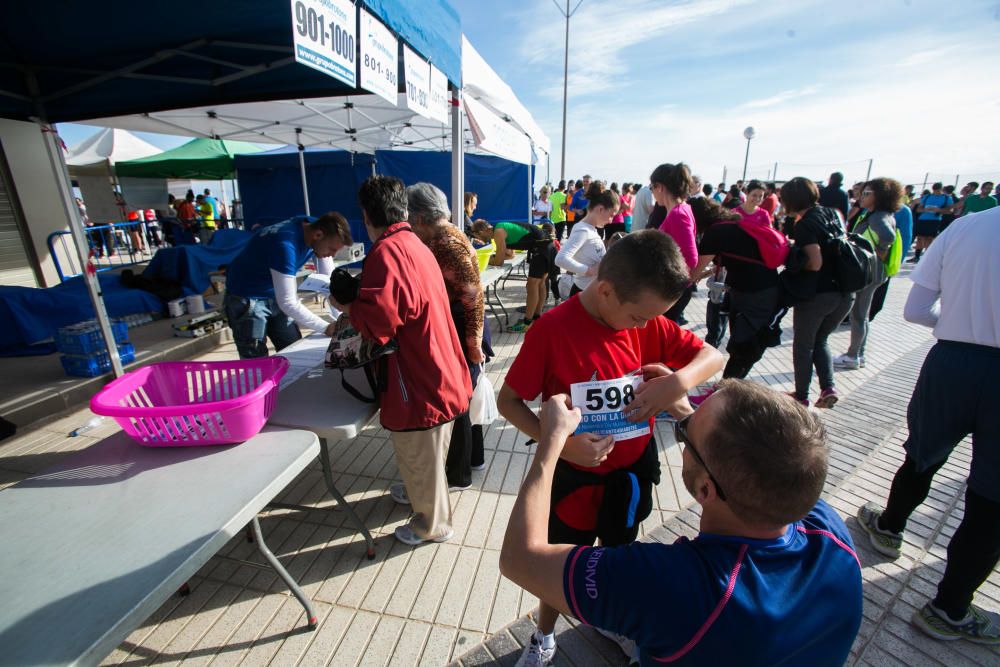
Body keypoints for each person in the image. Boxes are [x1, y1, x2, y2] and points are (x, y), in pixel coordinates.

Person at [501, 380, 861, 666]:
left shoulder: (668, 585)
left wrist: (552, 443)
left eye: (684, 432)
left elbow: (520, 559)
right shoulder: (827, 526)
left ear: (706, 488)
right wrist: (685, 409)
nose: (682, 425)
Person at [498, 231, 724, 666]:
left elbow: (714, 357)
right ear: (604, 290)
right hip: (574, 480)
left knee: (619, 553)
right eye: (638, 316)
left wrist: (675, 384)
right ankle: (544, 635)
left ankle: (611, 619)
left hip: (631, 474)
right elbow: (508, 402)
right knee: (559, 564)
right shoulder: (551, 330)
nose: (645, 327)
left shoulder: (649, 322)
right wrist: (562, 447)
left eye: (653, 318)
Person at [856, 206, 1000, 644]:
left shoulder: (966, 226)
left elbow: (916, 310)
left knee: (921, 455)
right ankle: (948, 607)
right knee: (991, 499)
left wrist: (961, 328)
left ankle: (889, 526)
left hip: (951, 362)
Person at [333, 176, 471, 546]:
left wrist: (348, 306)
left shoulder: (386, 252)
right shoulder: (415, 242)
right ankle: (419, 495)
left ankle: (432, 524)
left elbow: (378, 323)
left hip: (418, 377)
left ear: (366, 215)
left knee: (419, 451)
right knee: (429, 452)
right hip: (440, 366)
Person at [407, 182, 490, 487]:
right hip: (465, 326)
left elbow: (473, 297)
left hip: (464, 327)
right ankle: (474, 460)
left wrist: (473, 344)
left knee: (456, 404)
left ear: (418, 218)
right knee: (465, 398)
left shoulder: (444, 242)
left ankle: (458, 475)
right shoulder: (451, 232)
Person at [224, 213, 352, 359]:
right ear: (318, 235)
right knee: (256, 361)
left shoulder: (313, 227)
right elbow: (287, 302)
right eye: (331, 249)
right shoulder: (285, 245)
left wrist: (341, 317)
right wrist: (326, 327)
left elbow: (328, 281)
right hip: (246, 295)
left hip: (272, 291)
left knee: (294, 350)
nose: (332, 255)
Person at [690, 197, 783, 383]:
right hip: (758, 289)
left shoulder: (715, 232)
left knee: (743, 345)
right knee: (741, 344)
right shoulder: (731, 225)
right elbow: (729, 260)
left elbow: (693, 272)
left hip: (756, 293)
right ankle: (725, 389)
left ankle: (724, 392)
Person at [782, 177, 854, 408]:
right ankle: (828, 387)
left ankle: (801, 396)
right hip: (845, 292)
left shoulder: (805, 224)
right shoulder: (834, 214)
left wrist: (793, 260)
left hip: (819, 294)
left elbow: (815, 263)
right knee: (821, 339)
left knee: (803, 344)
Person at [834, 178, 901, 370]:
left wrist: (879, 250)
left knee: (859, 315)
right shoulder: (881, 214)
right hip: (873, 272)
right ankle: (858, 354)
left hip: (869, 271)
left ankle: (853, 355)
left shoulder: (878, 217)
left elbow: (887, 237)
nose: (862, 197)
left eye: (867, 193)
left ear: (880, 196)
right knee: (861, 315)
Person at [470, 220, 551, 333]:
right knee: (539, 284)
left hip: (542, 246)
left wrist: (487, 261)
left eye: (477, 236)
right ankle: (536, 318)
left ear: (482, 231)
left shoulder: (498, 232)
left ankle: (527, 323)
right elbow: (510, 254)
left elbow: (499, 261)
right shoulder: (500, 228)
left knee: (532, 285)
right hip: (546, 245)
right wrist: (495, 257)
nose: (479, 240)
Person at [554, 181, 616, 298]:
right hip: (583, 294)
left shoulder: (590, 229)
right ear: (600, 209)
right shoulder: (583, 230)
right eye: (611, 215)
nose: (611, 220)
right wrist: (590, 270)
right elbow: (560, 259)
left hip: (590, 292)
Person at [653, 162, 697, 325]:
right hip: (674, 288)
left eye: (652, 188)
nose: (653, 193)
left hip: (672, 289)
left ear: (660, 187)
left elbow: (691, 259)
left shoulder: (677, 214)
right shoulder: (681, 209)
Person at [913, 182, 954, 262]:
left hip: (935, 220)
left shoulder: (946, 198)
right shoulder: (927, 197)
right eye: (935, 190)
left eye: (938, 190)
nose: (936, 192)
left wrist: (939, 210)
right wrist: (925, 209)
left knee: (930, 238)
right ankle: (916, 256)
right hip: (923, 219)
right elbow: (918, 209)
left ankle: (927, 257)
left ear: (941, 189)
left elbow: (950, 211)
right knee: (920, 238)